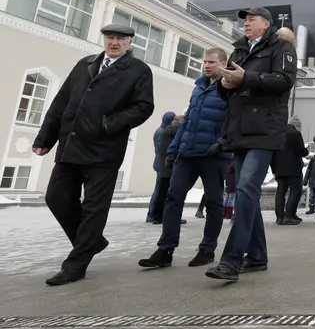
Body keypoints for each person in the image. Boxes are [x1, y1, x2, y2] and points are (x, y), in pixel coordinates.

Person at [33, 23, 155, 286]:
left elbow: (144, 107)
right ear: (104, 39)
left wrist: (108, 124)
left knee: (93, 209)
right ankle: (92, 242)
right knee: (56, 197)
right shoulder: (85, 64)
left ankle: (76, 264)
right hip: (70, 146)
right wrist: (45, 138)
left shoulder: (138, 71)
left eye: (120, 39)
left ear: (130, 43)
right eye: (110, 37)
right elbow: (61, 102)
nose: (114, 42)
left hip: (103, 151)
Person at [205, 7, 297, 282]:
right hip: (240, 129)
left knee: (246, 188)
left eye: (251, 19)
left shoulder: (281, 48)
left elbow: (285, 81)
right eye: (244, 20)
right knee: (247, 194)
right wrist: (224, 82)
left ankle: (231, 260)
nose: (246, 23)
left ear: (266, 23)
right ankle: (257, 256)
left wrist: (247, 78)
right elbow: (225, 88)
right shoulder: (240, 50)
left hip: (264, 130)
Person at [139, 47, 234, 269]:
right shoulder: (198, 88)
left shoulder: (230, 87)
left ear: (223, 63)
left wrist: (222, 143)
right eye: (205, 62)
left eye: (211, 62)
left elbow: (234, 120)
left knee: (213, 202)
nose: (207, 65)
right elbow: (188, 120)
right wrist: (174, 148)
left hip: (214, 155)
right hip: (188, 153)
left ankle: (207, 249)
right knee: (173, 198)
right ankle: (165, 249)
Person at [272, 117, 309, 225]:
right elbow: (301, 150)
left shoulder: (277, 134)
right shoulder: (295, 134)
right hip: (293, 168)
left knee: (280, 192)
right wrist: (306, 151)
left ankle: (280, 216)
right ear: (296, 127)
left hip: (279, 169)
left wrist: (274, 169)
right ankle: (288, 214)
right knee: (295, 191)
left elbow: (273, 153)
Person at [150, 114, 183, 223]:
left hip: (162, 163)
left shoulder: (163, 130)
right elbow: (162, 148)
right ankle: (154, 215)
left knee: (161, 191)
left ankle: (155, 215)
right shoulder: (167, 131)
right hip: (164, 164)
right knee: (161, 191)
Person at [303, 147, 315, 215]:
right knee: (312, 195)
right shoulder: (313, 160)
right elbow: (308, 170)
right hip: (313, 180)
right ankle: (312, 208)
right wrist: (305, 180)